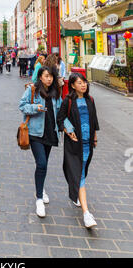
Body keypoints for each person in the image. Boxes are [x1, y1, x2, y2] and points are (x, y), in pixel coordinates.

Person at [19, 66, 73, 218]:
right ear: (40, 77)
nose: (49, 79)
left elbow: (61, 114)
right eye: (46, 76)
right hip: (35, 133)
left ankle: (41, 188)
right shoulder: (33, 90)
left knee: (43, 164)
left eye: (51, 76)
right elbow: (22, 106)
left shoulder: (56, 93)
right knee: (41, 163)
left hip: (50, 133)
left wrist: (69, 128)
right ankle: (39, 199)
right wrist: (36, 107)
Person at [57, 72, 100, 229]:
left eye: (85, 82)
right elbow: (60, 119)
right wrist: (68, 130)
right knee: (79, 174)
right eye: (79, 82)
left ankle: (75, 192)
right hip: (74, 146)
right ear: (73, 85)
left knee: (81, 171)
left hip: (87, 144)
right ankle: (86, 214)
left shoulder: (90, 100)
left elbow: (94, 121)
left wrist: (94, 138)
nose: (83, 85)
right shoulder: (67, 101)